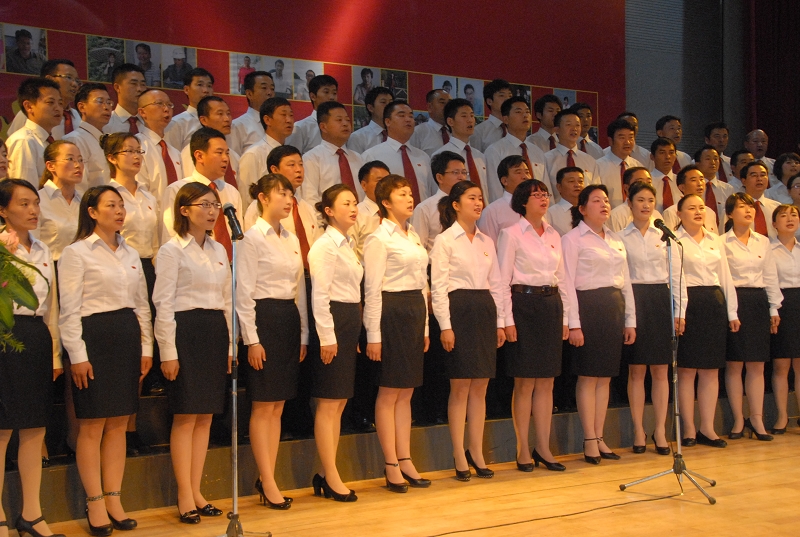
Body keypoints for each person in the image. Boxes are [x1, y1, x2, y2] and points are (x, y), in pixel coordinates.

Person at [59, 185, 153, 535]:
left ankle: (114, 498)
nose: (119, 211)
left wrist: (146, 348)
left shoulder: (130, 251)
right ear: (92, 212)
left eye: (121, 205)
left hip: (126, 336)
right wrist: (77, 355)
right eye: (110, 205)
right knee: (92, 424)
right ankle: (94, 501)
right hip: (94, 338)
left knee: (118, 423)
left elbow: (142, 304)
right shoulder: (76, 252)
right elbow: (69, 310)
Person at [152, 182, 230, 524]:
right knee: (185, 416)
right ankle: (184, 494)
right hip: (185, 332)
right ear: (184, 210)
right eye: (204, 205)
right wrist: (168, 351)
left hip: (214, 331)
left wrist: (230, 345)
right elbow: (163, 303)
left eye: (215, 205)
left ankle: (197, 490)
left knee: (206, 416)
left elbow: (226, 299)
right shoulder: (172, 251)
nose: (212, 211)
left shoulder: (219, 248)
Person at [236, 174, 307, 509]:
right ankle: (266, 479)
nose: (288, 199)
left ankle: (269, 477)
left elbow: (299, 288)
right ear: (263, 198)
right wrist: (251, 339)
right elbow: (243, 293)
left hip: (287, 318)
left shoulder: (291, 237)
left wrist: (303, 333)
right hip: (263, 319)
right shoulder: (251, 238)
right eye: (281, 193)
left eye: (290, 194)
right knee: (263, 404)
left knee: (278, 405)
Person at [0, 179, 64, 537]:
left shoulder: (42, 248)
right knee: (2, 429)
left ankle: (32, 514)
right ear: (3, 210)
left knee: (35, 428)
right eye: (23, 204)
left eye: (35, 203)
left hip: (36, 337)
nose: (33, 210)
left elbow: (51, 306)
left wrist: (54, 353)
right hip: (6, 337)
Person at [430, 180, 506, 481]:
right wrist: (445, 326)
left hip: (484, 309)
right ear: (456, 204)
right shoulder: (445, 240)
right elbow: (438, 288)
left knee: (481, 386)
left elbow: (497, 284)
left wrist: (499, 322)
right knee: (461, 385)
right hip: (458, 309)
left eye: (480, 198)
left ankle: (476, 450)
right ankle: (458, 453)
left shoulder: (487, 240)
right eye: (471, 198)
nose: (478, 203)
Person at [364, 175, 431, 492]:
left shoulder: (413, 233)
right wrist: (373, 335)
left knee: (407, 391)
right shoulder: (379, 238)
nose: (409, 197)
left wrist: (426, 326)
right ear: (386, 202)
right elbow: (372, 289)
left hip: (414, 310)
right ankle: (390, 463)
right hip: (391, 311)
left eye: (410, 192)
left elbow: (423, 283)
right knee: (390, 390)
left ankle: (405, 458)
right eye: (401, 194)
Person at [497, 179, 569, 472]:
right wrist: (506, 320)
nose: (543, 198)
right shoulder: (511, 233)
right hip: (523, 306)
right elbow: (502, 281)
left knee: (547, 380)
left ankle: (543, 447)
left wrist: (567, 319)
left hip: (550, 304)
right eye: (536, 194)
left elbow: (562, 278)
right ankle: (523, 448)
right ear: (522, 202)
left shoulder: (554, 234)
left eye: (545, 193)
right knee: (525, 381)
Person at [562, 184, 636, 465]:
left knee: (605, 376)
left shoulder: (616, 239)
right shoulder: (572, 239)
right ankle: (589, 438)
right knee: (588, 376)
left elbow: (625, 282)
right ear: (582, 208)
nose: (604, 204)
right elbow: (567, 283)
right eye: (596, 200)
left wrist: (630, 320)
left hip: (613, 309)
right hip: (587, 308)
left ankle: (600, 435)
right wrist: (574, 323)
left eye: (606, 200)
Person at [619, 181, 684, 455]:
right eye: (640, 200)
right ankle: (638, 430)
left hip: (660, 300)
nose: (646, 205)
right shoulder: (620, 237)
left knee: (660, 369)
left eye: (650, 200)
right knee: (636, 370)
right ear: (629, 203)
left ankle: (660, 430)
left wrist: (680, 311)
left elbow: (678, 276)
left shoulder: (665, 235)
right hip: (634, 300)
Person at [308, 184, 363, 502]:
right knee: (329, 402)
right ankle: (330, 475)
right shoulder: (325, 246)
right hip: (332, 322)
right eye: (346, 203)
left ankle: (326, 472)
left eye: (355, 202)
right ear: (328, 211)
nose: (354, 208)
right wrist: (328, 337)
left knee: (339, 402)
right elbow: (320, 295)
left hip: (347, 322)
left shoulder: (347, 243)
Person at [673, 193, 738, 448]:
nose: (698, 212)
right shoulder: (674, 240)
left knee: (711, 369)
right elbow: (674, 279)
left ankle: (707, 428)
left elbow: (725, 277)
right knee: (687, 370)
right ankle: (689, 429)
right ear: (679, 214)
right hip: (688, 304)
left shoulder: (714, 239)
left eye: (701, 207)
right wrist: (679, 312)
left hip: (713, 303)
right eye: (691, 208)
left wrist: (732, 312)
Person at [722, 192, 782, 441]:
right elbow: (723, 280)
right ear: (729, 213)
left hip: (757, 301)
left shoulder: (762, 242)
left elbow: (770, 276)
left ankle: (757, 419)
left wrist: (773, 307)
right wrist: (731, 311)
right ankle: (738, 419)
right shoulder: (721, 242)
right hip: (733, 301)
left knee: (757, 364)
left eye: (750, 207)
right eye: (741, 207)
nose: (748, 211)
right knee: (735, 364)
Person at [161, 128, 242, 261]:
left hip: (229, 264)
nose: (225, 158)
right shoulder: (177, 189)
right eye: (219, 153)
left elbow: (239, 235)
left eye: (227, 153)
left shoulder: (231, 191)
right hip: (192, 263)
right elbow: (169, 235)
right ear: (199, 156)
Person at [362, 100, 434, 204]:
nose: (408, 119)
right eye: (401, 115)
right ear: (388, 122)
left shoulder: (423, 157)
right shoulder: (372, 156)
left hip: (422, 213)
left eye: (411, 116)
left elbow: (431, 192)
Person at [769, 204, 800, 434]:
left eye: (794, 215)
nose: (790, 219)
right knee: (781, 365)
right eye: (783, 215)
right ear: (774, 223)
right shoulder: (768, 249)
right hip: (781, 305)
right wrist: (774, 309)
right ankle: (782, 416)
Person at [301, 101, 365, 208]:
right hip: (326, 217)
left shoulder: (358, 158)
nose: (345, 124)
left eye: (347, 120)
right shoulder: (311, 158)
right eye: (339, 120)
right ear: (323, 127)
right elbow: (309, 199)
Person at [484, 97, 545, 202]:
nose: (525, 115)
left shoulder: (537, 151)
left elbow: (544, 186)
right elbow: (495, 190)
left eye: (527, 112)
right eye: (518, 112)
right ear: (506, 119)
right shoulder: (495, 150)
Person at [179, 96, 241, 196]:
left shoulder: (234, 156)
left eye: (228, 113)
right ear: (203, 120)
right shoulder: (191, 151)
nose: (227, 119)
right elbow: (190, 186)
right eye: (220, 114)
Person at [6, 78, 63, 184]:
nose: (58, 108)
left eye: (60, 103)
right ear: (29, 106)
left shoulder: (50, 141)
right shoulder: (23, 141)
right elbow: (23, 188)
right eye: (50, 102)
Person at [7, 59, 82, 140]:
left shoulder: (77, 116)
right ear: (49, 79)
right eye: (68, 77)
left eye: (77, 80)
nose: (75, 84)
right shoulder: (31, 113)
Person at [35, 141, 84, 262]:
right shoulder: (38, 201)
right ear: (51, 166)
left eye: (80, 160)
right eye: (70, 159)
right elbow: (32, 247)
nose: (78, 165)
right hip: (51, 266)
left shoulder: (84, 200)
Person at [433, 99, 489, 202]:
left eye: (472, 116)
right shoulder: (441, 155)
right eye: (464, 116)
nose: (470, 120)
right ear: (450, 121)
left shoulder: (480, 156)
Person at [134, 89, 181, 209]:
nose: (166, 109)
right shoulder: (136, 146)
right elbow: (138, 189)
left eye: (169, 105)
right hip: (148, 214)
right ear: (142, 112)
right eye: (159, 104)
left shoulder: (174, 152)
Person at [238, 97, 294, 198]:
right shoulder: (253, 154)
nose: (289, 120)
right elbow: (246, 196)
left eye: (291, 115)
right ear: (267, 120)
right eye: (283, 115)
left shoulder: (292, 153)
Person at [412, 152, 466, 253]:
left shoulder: (468, 204)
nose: (461, 177)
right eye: (455, 172)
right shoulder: (425, 208)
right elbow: (418, 249)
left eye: (464, 172)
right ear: (439, 178)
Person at [64, 82, 113, 188]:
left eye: (109, 102)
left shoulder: (109, 139)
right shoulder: (74, 140)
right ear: (82, 107)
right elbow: (78, 187)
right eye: (100, 101)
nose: (107, 107)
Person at [544, 109, 599, 199]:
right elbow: (545, 192)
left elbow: (595, 192)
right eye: (568, 125)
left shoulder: (590, 161)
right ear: (557, 130)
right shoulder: (546, 159)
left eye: (577, 125)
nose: (574, 129)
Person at [478, 155, 532, 244]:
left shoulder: (538, 206)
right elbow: (488, 248)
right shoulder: (491, 212)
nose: (525, 177)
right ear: (504, 181)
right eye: (518, 172)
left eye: (527, 172)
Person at [594, 119, 644, 208]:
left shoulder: (639, 167)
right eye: (622, 138)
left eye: (631, 137)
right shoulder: (598, 166)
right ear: (610, 141)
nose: (627, 142)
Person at [164, 68, 215, 150]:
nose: (206, 90)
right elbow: (171, 154)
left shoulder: (218, 122)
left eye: (209, 86)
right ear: (186, 89)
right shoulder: (176, 124)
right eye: (200, 85)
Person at [286, 75, 339, 154]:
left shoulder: (339, 127)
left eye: (334, 93)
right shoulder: (300, 128)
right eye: (326, 92)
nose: (332, 97)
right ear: (313, 96)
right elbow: (290, 157)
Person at [661, 165, 719, 233]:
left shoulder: (710, 212)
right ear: (682, 187)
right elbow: (670, 238)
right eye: (693, 180)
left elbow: (714, 238)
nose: (699, 183)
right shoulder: (671, 212)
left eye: (701, 179)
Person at [349, 161, 388, 261]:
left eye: (388, 181)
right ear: (364, 185)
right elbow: (349, 254)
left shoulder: (395, 212)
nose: (385, 185)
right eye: (379, 181)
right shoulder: (355, 214)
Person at [230, 71, 275, 155]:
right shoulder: (238, 126)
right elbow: (233, 159)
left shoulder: (277, 124)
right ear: (249, 94)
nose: (270, 93)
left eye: (272, 89)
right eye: (264, 88)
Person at [607, 167, 663, 232]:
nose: (645, 186)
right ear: (626, 187)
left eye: (649, 182)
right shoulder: (617, 215)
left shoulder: (656, 215)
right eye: (640, 182)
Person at [696, 146, 736, 231]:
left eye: (716, 159)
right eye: (708, 159)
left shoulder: (728, 189)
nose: (713, 162)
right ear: (697, 163)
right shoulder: (694, 187)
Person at [469, 79, 513, 153]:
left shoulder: (515, 128)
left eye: (510, 96)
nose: (507, 99)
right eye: (501, 95)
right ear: (489, 101)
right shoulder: (479, 131)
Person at [347, 86, 394, 154]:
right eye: (383, 102)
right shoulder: (358, 137)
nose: (389, 106)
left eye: (391, 102)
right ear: (370, 108)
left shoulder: (398, 134)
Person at [740, 160, 780, 238]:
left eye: (763, 175)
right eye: (754, 175)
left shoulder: (777, 207)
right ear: (743, 181)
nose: (759, 179)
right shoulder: (734, 209)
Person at [104, 64, 147, 135]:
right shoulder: (105, 123)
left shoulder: (153, 123)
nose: (139, 89)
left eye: (143, 84)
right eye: (134, 83)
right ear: (117, 87)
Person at [408, 89, 451, 156]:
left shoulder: (456, 132)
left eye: (449, 103)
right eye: (442, 102)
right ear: (429, 107)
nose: (447, 107)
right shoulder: (417, 132)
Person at [546, 167, 585, 236]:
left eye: (580, 181)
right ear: (559, 187)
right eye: (571, 181)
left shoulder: (590, 210)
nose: (577, 185)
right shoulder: (550, 214)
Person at [649, 137, 681, 212]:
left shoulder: (681, 181)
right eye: (662, 153)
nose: (668, 157)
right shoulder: (647, 181)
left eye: (671, 152)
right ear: (652, 156)